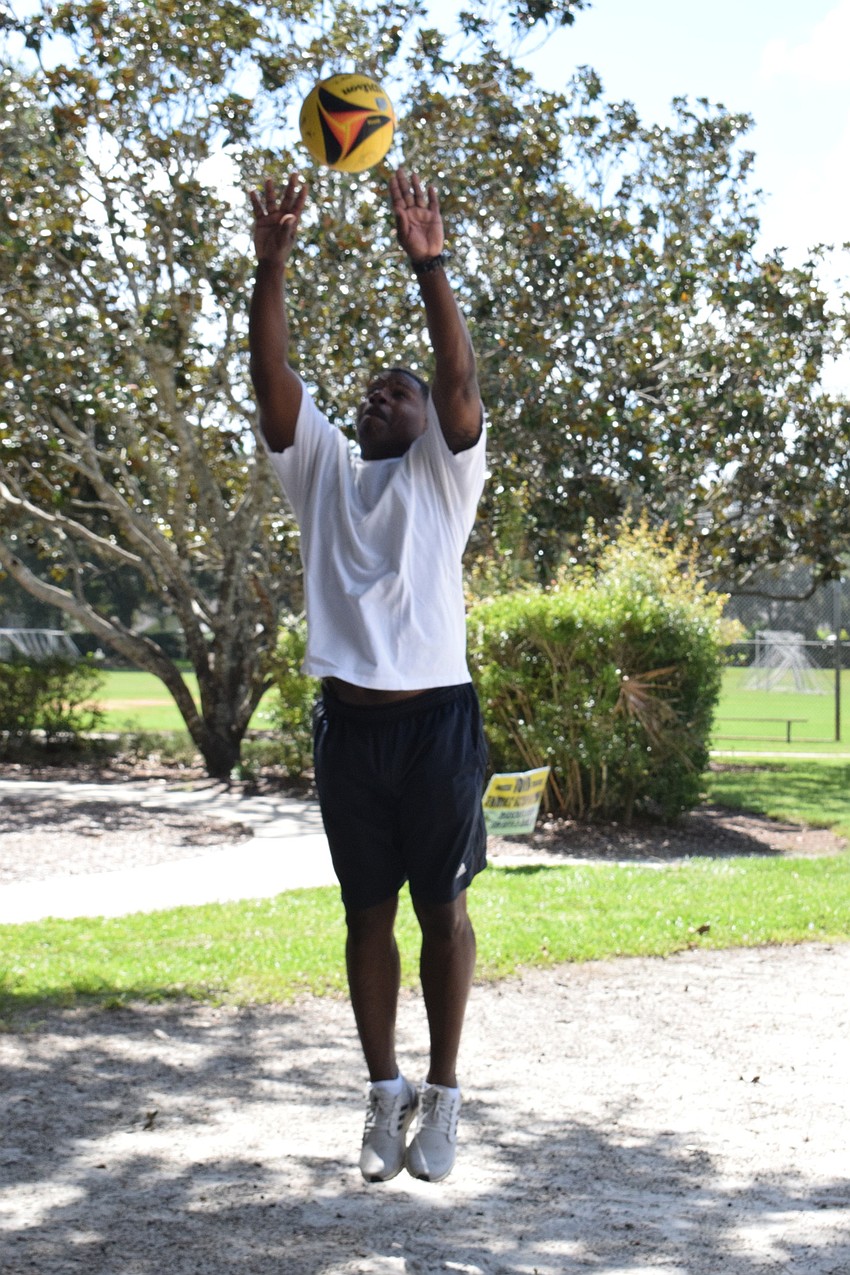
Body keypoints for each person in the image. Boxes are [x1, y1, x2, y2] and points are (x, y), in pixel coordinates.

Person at [248, 167, 488, 1185]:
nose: (382, 396)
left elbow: (460, 382)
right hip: (349, 729)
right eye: (373, 391)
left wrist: (429, 266)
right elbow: (273, 383)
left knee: (442, 910)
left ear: (426, 418)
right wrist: (273, 263)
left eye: (401, 391)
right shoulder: (326, 474)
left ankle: (442, 1096)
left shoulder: (445, 471)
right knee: (364, 915)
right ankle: (382, 1094)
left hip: (435, 721)